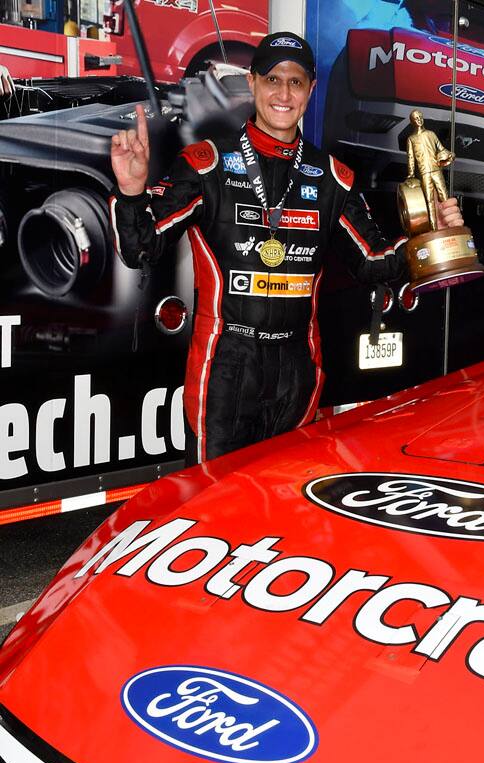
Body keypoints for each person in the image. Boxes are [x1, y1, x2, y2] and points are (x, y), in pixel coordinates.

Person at [109, 31, 463, 463]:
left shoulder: (333, 177)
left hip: (298, 367)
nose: (283, 92)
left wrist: (431, 237)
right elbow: (141, 250)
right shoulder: (208, 163)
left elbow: (373, 263)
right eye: (273, 79)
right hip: (226, 366)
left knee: (284, 498)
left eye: (296, 82)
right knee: (216, 501)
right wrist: (130, 192)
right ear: (253, 83)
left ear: (310, 91)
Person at [406, 109, 454, 232]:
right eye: (416, 118)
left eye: (420, 117)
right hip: (424, 173)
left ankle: (450, 227)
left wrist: (449, 155)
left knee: (444, 197)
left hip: (436, 170)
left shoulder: (431, 134)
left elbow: (441, 148)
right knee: (429, 201)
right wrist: (411, 174)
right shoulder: (411, 139)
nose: (419, 120)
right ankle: (434, 230)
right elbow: (411, 158)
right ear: (412, 121)